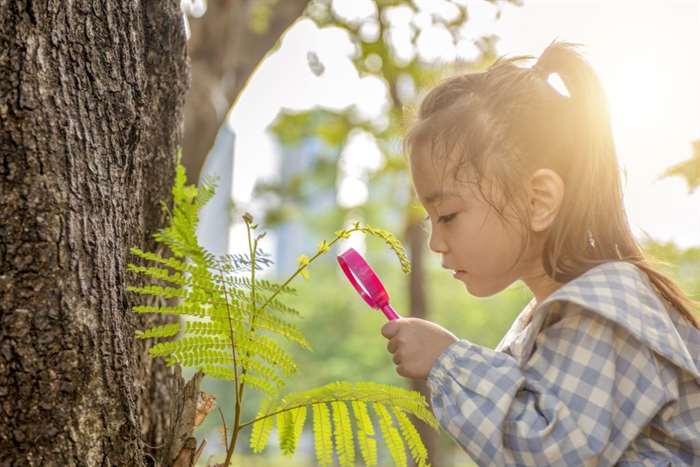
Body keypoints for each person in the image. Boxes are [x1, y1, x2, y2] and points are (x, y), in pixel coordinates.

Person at [380, 41, 700, 466]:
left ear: (538, 200)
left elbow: (551, 451)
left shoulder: (604, 307)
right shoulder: (552, 316)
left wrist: (447, 360)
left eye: (449, 215)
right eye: (429, 220)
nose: (437, 242)